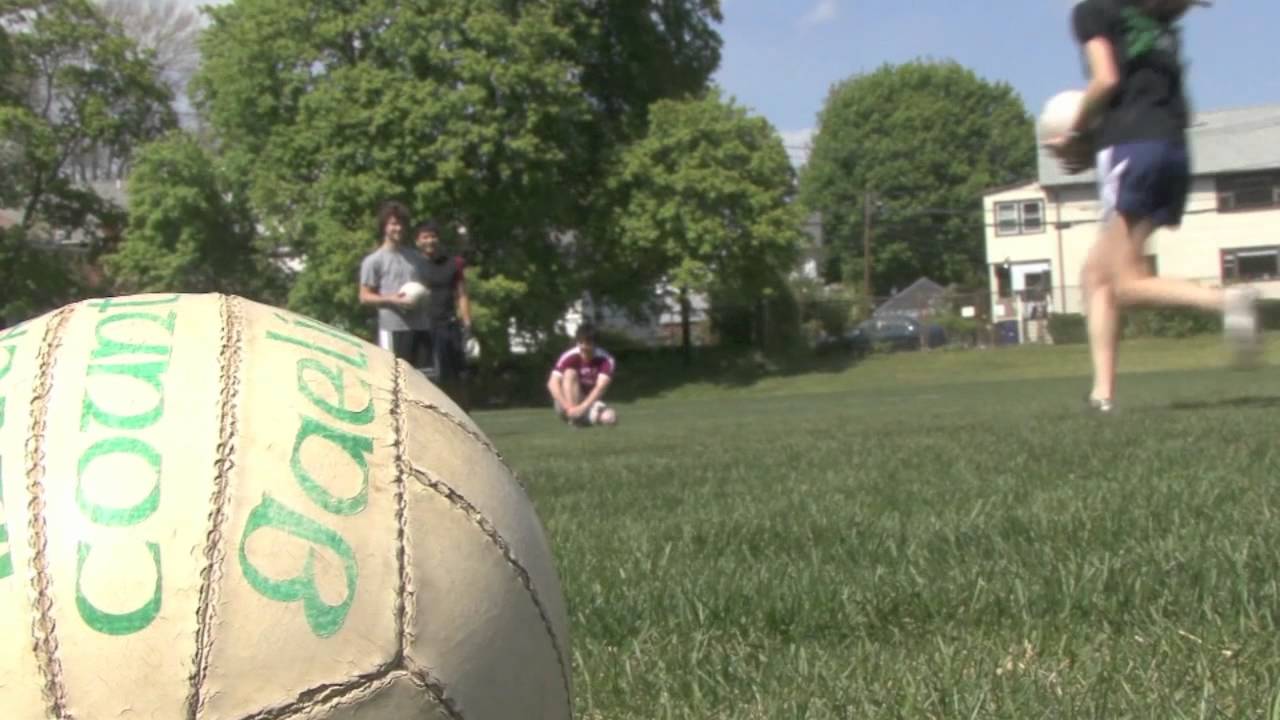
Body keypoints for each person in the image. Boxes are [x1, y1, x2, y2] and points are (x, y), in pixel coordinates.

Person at [1045, 0, 1260, 414]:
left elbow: (1105, 80)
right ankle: (1102, 395)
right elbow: (1164, 105)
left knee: (1123, 282)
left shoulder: (1092, 11)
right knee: (1097, 275)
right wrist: (1106, 138)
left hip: (1132, 150)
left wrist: (1075, 133)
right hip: (1171, 149)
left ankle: (1227, 301)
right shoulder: (1157, 23)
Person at [358, 201, 432, 365]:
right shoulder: (373, 261)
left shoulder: (417, 259)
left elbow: (426, 288)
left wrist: (424, 295)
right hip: (393, 329)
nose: (398, 228)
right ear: (384, 226)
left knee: (423, 382)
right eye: (393, 224)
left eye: (401, 224)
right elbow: (364, 297)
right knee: (396, 383)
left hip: (420, 328)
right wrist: (392, 299)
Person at [413, 219, 473, 409]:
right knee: (427, 378)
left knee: (456, 378)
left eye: (433, 236)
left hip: (448, 325)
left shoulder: (454, 263)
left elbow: (462, 294)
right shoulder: (412, 265)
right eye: (425, 237)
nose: (429, 240)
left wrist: (467, 323)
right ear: (417, 241)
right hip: (423, 327)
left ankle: (463, 418)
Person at [547, 323, 618, 428]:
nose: (584, 347)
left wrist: (582, 408)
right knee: (570, 373)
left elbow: (600, 388)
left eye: (588, 343)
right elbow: (552, 383)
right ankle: (574, 418)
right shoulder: (569, 356)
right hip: (566, 404)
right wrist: (568, 408)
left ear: (595, 343)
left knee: (610, 418)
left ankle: (581, 420)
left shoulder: (606, 360)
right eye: (580, 342)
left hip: (589, 403)